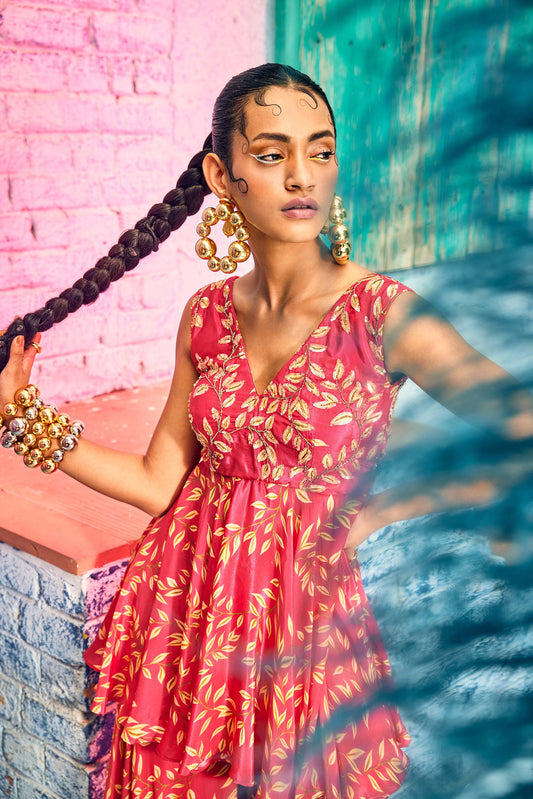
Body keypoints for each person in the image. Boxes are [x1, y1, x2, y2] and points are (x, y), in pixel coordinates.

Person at [0, 64, 531, 799]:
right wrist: (26, 418)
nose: (301, 175)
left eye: (319, 150)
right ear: (223, 175)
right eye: (273, 153)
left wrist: (387, 507)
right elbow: (160, 481)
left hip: (304, 620)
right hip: (188, 609)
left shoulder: (384, 314)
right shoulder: (206, 314)